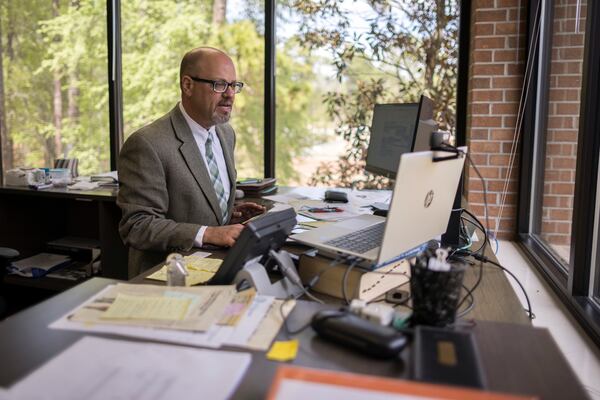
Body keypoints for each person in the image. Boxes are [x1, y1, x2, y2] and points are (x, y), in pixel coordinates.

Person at [117, 47, 265, 275]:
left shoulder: (225, 133)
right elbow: (138, 226)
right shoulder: (147, 143)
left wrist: (226, 212)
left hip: (218, 266)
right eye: (219, 85)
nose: (230, 94)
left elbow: (197, 201)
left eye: (234, 85)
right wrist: (208, 233)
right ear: (187, 85)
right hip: (167, 276)